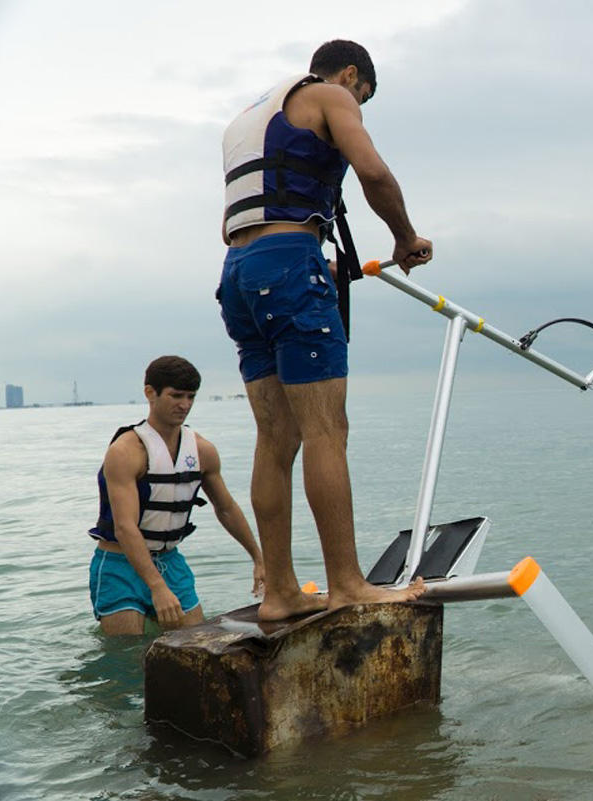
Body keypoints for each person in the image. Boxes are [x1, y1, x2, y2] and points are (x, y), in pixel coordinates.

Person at [218, 39, 426, 621]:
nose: (357, 105)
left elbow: (246, 215)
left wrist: (304, 258)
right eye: (364, 95)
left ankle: (279, 592)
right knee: (326, 431)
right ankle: (348, 584)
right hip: (288, 269)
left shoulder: (244, 120)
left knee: (274, 438)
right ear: (352, 74)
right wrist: (405, 238)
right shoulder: (331, 95)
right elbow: (373, 173)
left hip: (239, 275)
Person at [88, 356, 266, 635]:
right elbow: (124, 527)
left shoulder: (202, 450)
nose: (184, 405)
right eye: (175, 396)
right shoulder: (125, 451)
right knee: (126, 656)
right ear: (150, 393)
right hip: (119, 566)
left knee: (197, 643)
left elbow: (227, 508)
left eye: (191, 397)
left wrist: (258, 557)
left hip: (170, 562)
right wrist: (157, 587)